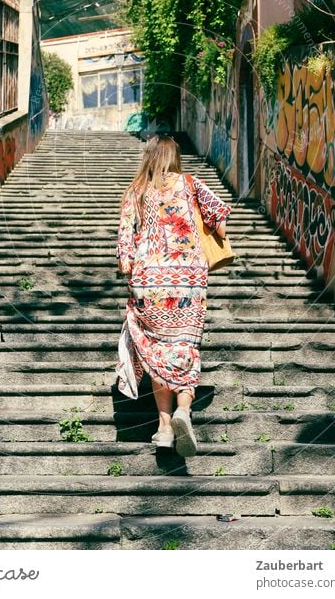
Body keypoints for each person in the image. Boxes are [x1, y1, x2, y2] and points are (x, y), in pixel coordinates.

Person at [115, 135, 231, 457]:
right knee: (184, 346)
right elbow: (220, 225)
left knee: (157, 350)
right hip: (188, 282)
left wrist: (134, 271)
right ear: (175, 155)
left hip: (150, 281)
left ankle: (164, 428)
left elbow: (124, 248)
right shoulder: (192, 184)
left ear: (149, 156)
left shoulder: (135, 191)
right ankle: (183, 409)